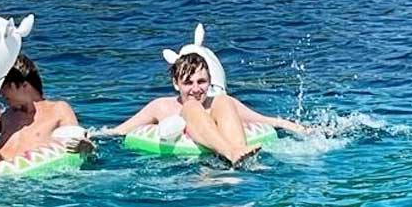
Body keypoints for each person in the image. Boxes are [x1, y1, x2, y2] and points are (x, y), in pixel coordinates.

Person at [111, 53, 308, 166]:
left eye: (202, 81)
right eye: (188, 82)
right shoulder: (161, 106)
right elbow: (118, 131)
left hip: (226, 161)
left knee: (223, 101)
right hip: (191, 172)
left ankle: (239, 154)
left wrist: (308, 131)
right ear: (175, 83)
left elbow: (268, 121)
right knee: (192, 107)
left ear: (210, 82)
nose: (196, 89)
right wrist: (86, 138)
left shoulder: (221, 103)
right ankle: (232, 153)